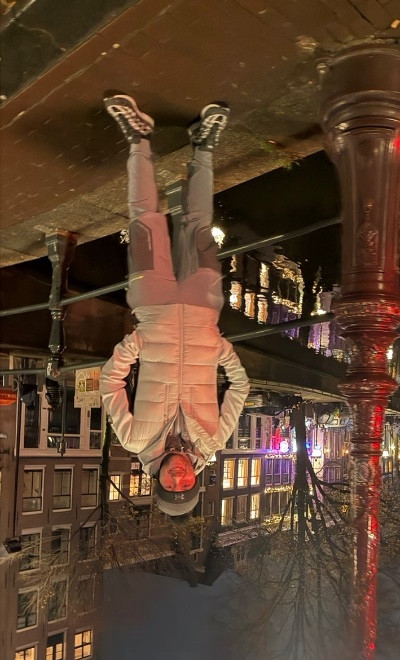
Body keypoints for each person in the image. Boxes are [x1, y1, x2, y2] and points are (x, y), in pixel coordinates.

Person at [100, 94, 249, 517]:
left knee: (144, 220)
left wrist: (136, 343)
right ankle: (203, 145)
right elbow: (239, 387)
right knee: (199, 224)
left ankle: (138, 139)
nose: (179, 478)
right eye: (186, 485)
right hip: (203, 309)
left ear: (159, 481)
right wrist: (222, 350)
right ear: (195, 479)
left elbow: (110, 384)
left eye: (171, 486)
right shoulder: (214, 440)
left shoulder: (133, 439)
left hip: (153, 308)